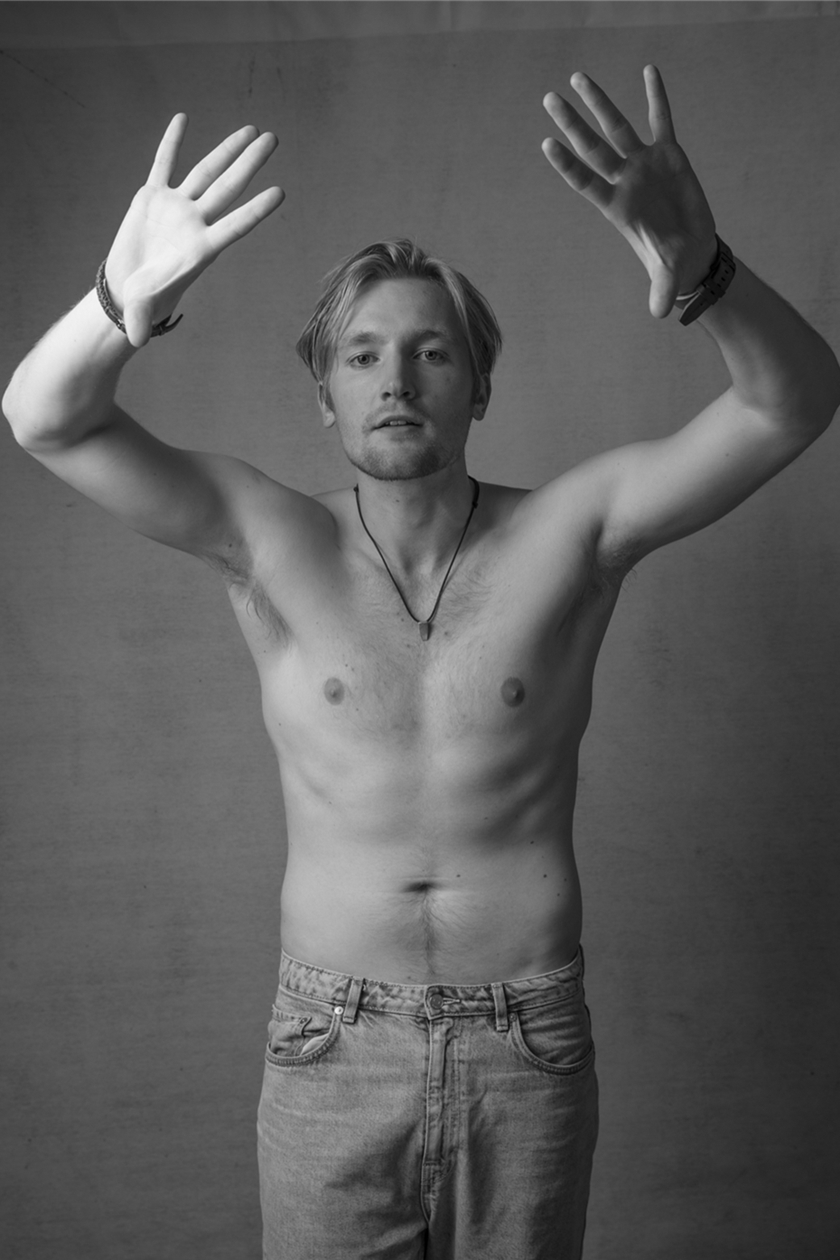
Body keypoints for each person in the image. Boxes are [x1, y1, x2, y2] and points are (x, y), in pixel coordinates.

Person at [4, 66, 838, 1260]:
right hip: (330, 1042)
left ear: (479, 382)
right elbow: (42, 417)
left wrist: (706, 270)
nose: (396, 379)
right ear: (325, 397)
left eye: (431, 352)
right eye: (361, 357)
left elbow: (792, 405)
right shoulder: (269, 538)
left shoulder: (575, 531)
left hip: (527, 1042)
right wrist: (113, 302)